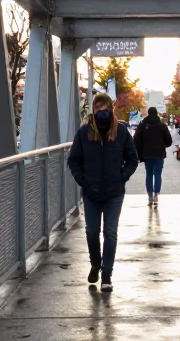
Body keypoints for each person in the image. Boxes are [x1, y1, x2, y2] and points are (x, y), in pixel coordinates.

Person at [67, 93, 139, 292]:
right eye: (98, 111)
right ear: (93, 111)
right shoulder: (84, 133)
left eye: (105, 111)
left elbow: (133, 159)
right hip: (91, 192)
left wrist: (121, 177)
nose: (102, 114)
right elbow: (73, 161)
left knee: (110, 232)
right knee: (91, 231)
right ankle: (95, 264)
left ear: (111, 109)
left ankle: (106, 274)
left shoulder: (121, 132)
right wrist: (84, 181)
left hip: (114, 192)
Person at [134, 106, 173, 208]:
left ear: (148, 113)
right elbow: (169, 141)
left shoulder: (143, 125)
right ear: (156, 113)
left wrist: (139, 153)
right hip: (159, 154)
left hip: (147, 155)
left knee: (149, 175)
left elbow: (136, 140)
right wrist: (163, 144)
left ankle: (150, 195)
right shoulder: (162, 126)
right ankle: (156, 194)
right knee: (158, 175)